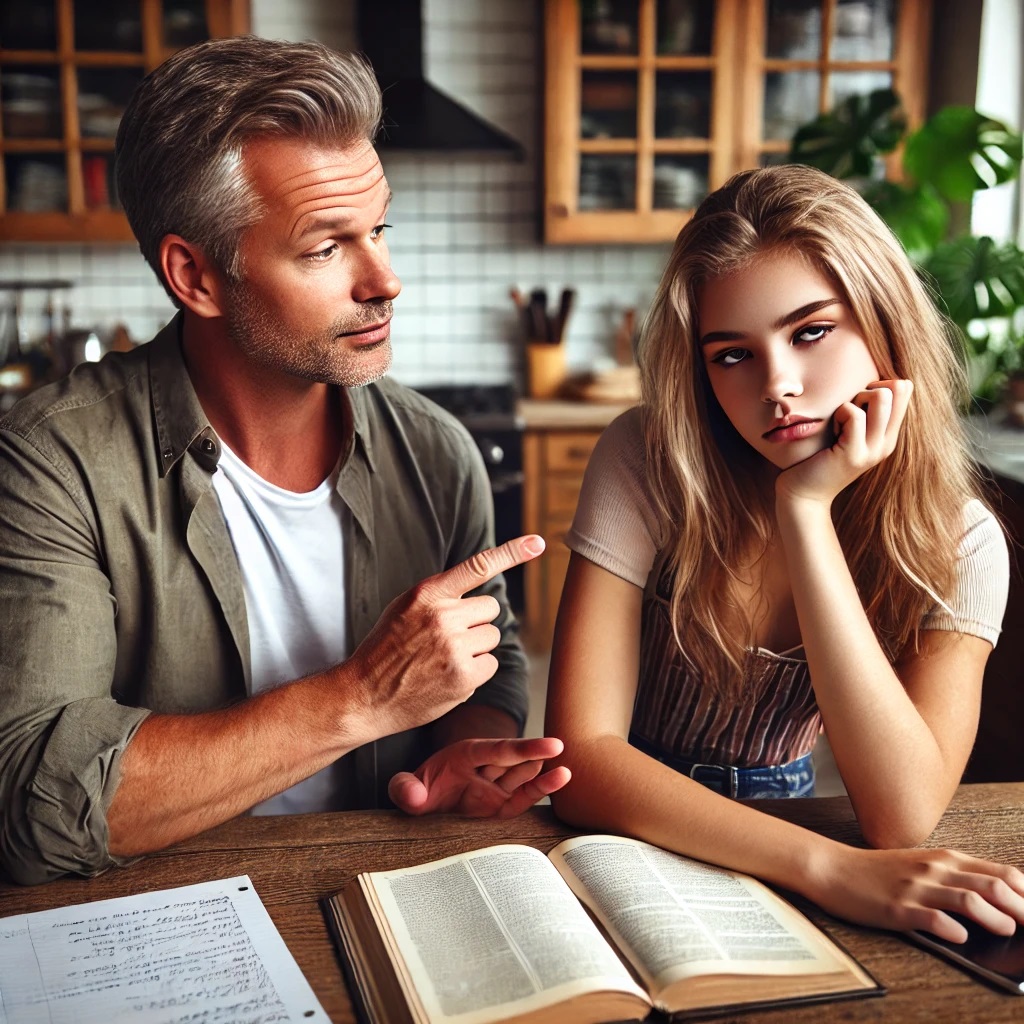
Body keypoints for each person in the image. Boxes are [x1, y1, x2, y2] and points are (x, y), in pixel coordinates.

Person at [0, 36, 569, 887]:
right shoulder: (50, 463)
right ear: (196, 276)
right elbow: (31, 807)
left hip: (389, 881)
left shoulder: (437, 451)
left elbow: (491, 655)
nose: (386, 280)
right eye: (326, 248)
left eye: (379, 229)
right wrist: (362, 697)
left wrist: (468, 747)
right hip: (158, 909)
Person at [545, 164, 1024, 943]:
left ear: (885, 323)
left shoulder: (960, 539)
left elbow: (902, 814)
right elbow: (584, 759)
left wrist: (805, 509)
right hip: (631, 823)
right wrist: (829, 869)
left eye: (811, 332)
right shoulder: (648, 457)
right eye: (732, 354)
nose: (779, 386)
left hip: (790, 815)